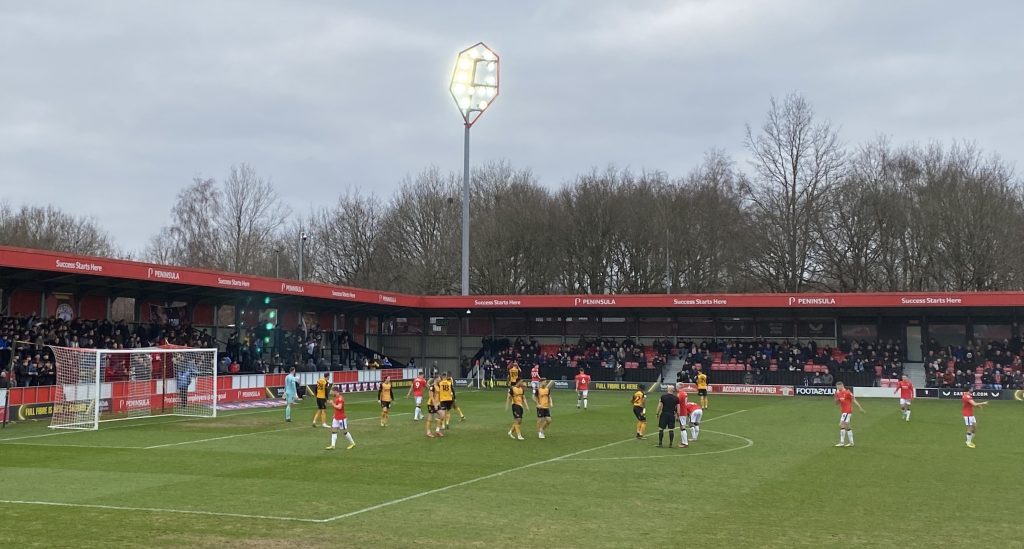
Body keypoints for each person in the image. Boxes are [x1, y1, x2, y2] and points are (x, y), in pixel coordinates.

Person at [834, 381, 866, 447]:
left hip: (847, 411)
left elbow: (854, 399)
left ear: (841, 385)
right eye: (836, 387)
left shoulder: (847, 392)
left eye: (838, 387)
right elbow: (836, 403)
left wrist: (860, 407)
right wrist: (837, 398)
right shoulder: (838, 393)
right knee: (847, 426)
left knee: (841, 424)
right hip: (843, 411)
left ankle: (842, 442)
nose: (837, 388)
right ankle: (851, 443)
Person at [326, 386, 356, 450]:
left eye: (332, 392)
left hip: (341, 418)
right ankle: (333, 445)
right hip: (336, 417)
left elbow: (339, 407)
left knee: (345, 432)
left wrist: (332, 403)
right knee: (333, 430)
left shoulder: (340, 398)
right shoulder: (335, 398)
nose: (331, 393)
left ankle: (352, 443)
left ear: (335, 391)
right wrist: (334, 414)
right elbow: (336, 408)